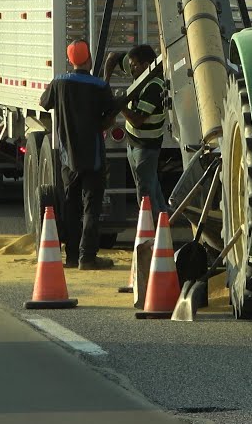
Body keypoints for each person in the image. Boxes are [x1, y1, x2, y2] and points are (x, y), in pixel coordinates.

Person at [39, 39, 117, 270]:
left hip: (67, 158)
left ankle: (72, 256)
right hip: (92, 157)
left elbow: (44, 103)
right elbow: (109, 114)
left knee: (70, 207)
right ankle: (88, 257)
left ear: (70, 60)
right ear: (89, 59)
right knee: (91, 207)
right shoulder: (98, 86)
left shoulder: (59, 82)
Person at [109, 44, 168, 214]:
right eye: (131, 65)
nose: (131, 69)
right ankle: (161, 224)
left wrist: (120, 105)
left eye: (135, 65)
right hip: (135, 144)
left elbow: (137, 121)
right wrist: (105, 79)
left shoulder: (153, 87)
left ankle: (151, 229)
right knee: (152, 187)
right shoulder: (142, 76)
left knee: (145, 192)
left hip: (146, 147)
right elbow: (113, 56)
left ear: (146, 65)